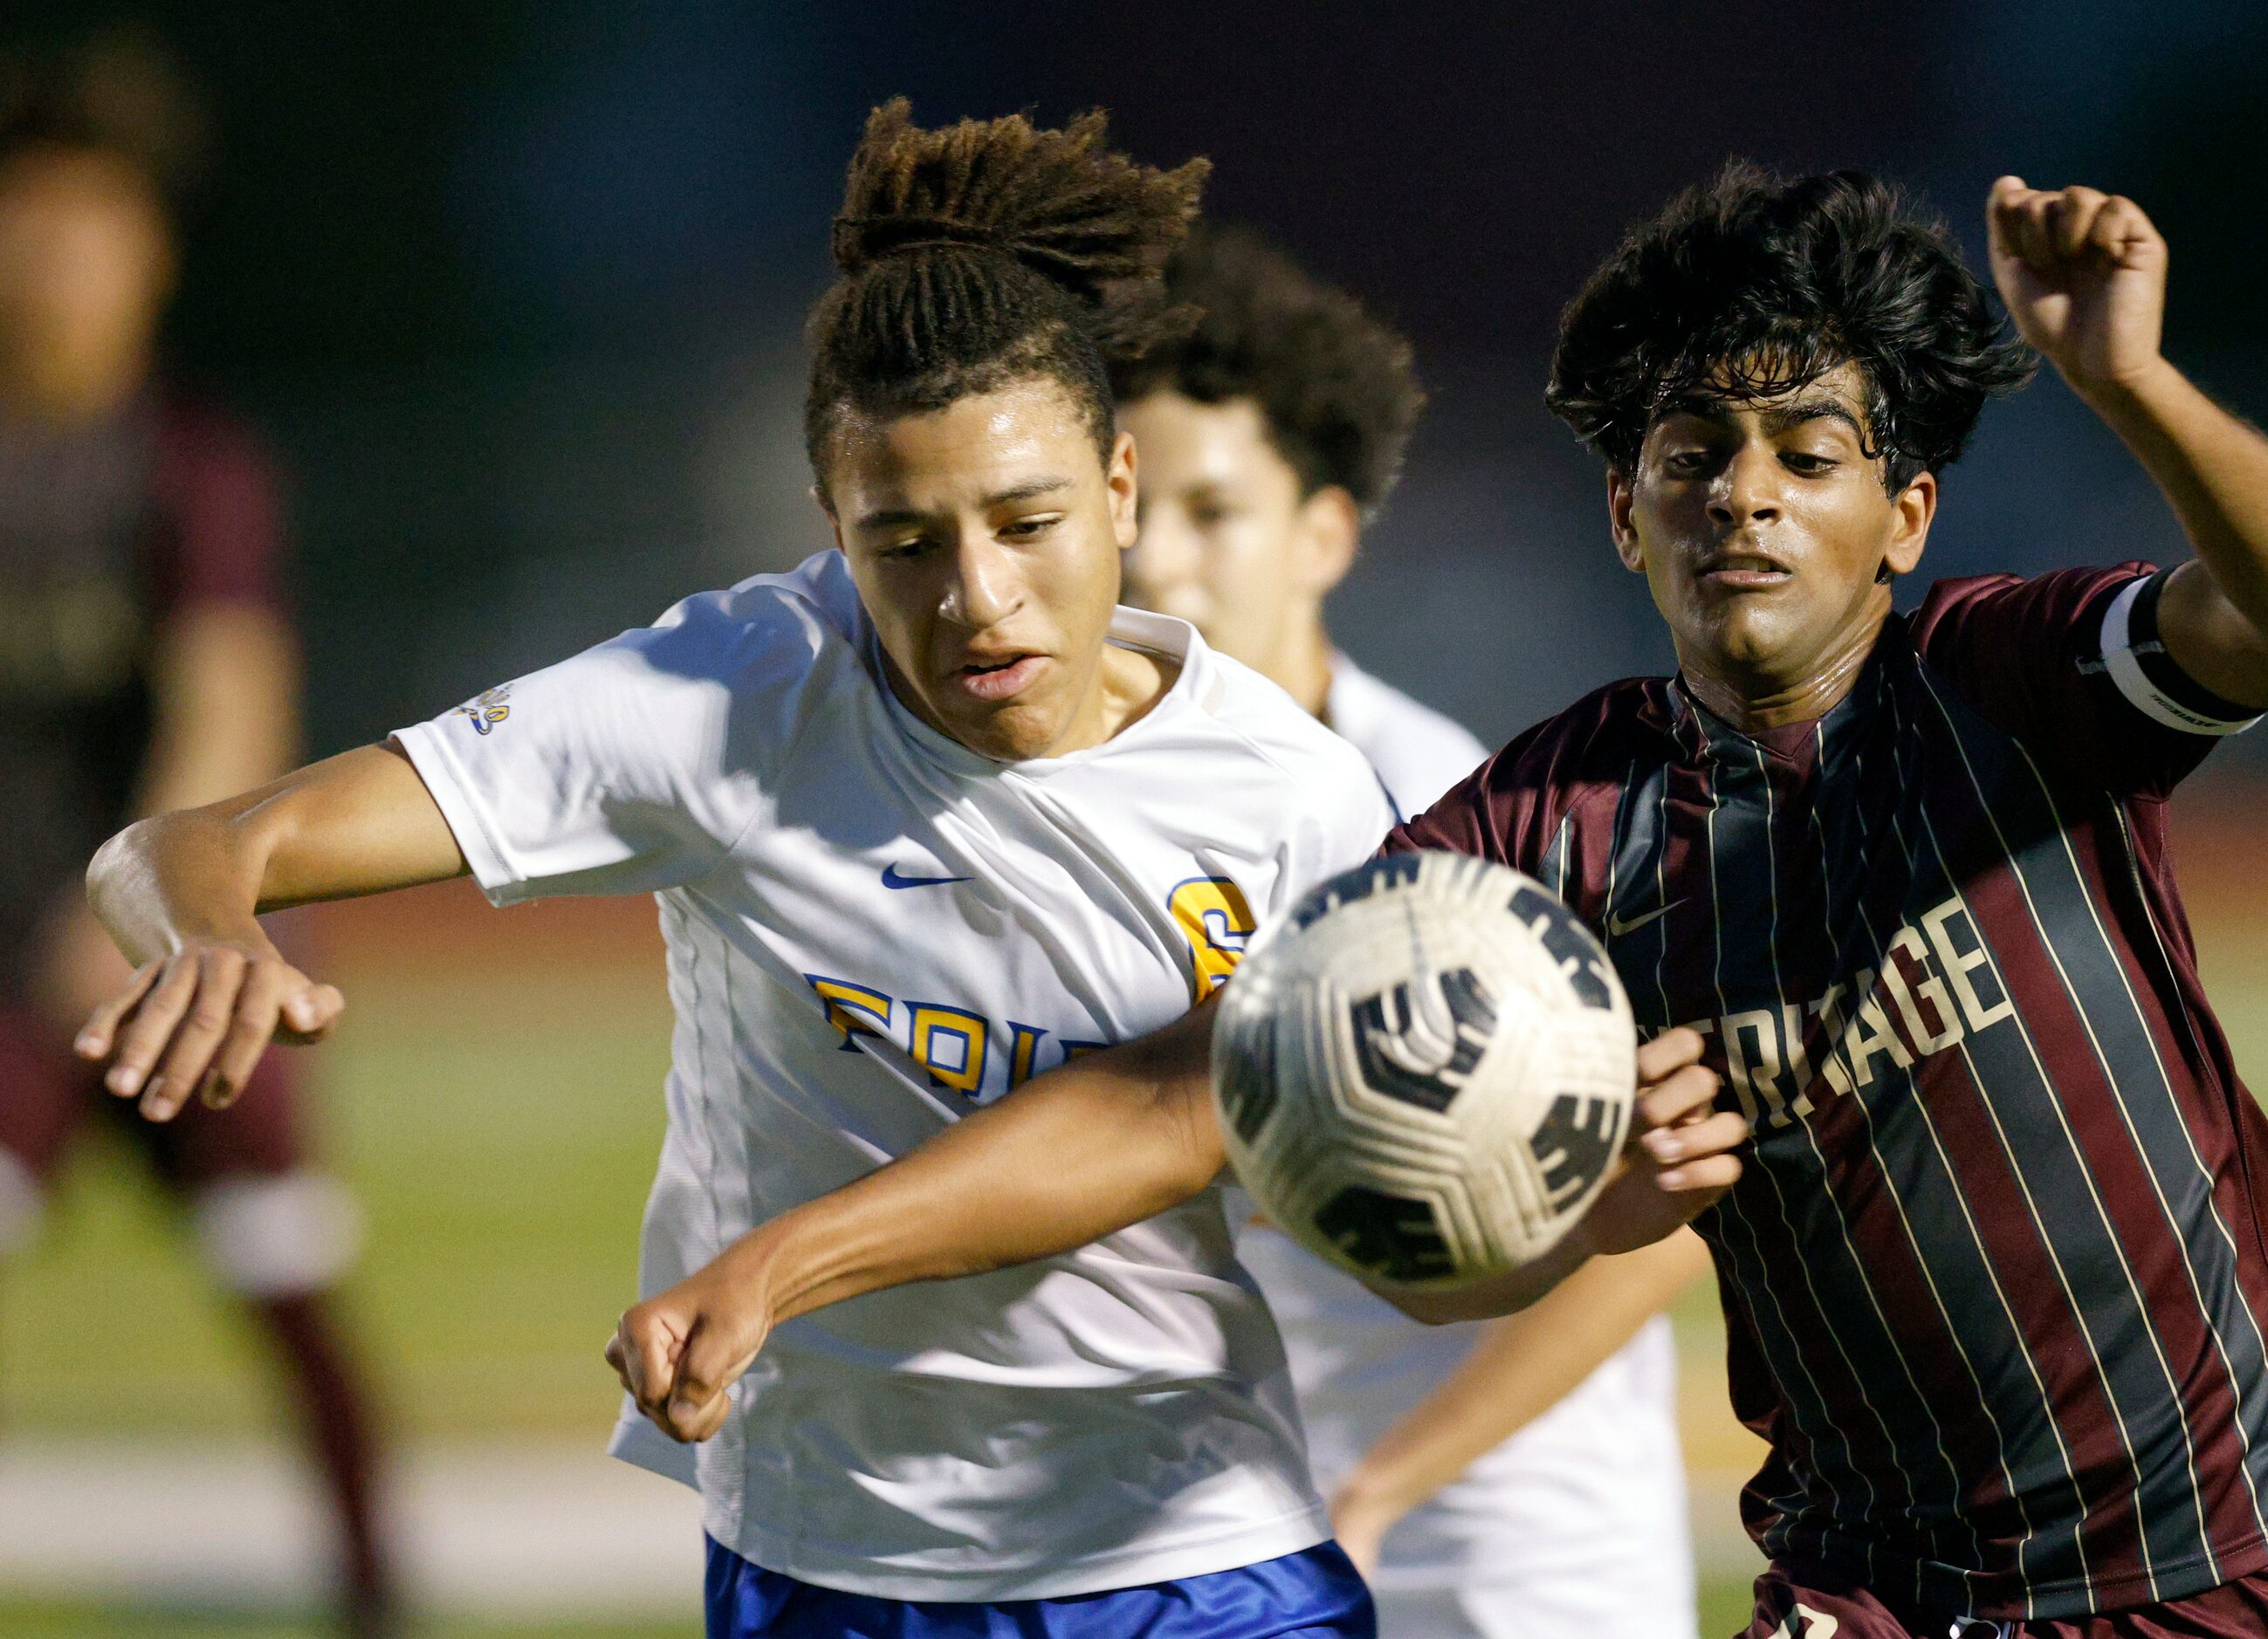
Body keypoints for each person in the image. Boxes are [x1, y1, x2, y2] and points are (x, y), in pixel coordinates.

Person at [519, 162, 2268, 1638]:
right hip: (1883, 1581)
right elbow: (1251, 1110)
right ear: (1623, 511)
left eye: (1804, 458)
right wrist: (1587, 1207)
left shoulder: (2001, 690)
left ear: (1899, 518)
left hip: (2226, 1535)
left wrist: (2132, 385)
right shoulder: (1537, 829)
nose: (1740, 497)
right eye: (1688, 456)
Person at [70, 101, 1727, 1639]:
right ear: (830, 519)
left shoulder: (1291, 796)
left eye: (1027, 522)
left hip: (1188, 1553)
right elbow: (195, 841)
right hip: (825, 1559)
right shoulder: (725, 700)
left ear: (1118, 491)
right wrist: (209, 927)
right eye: (905, 543)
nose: (978, 598)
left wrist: (1574, 1214)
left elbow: (1227, 1150)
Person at [1113, 223, 1707, 1637]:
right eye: (1124, 508)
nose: (1154, 559)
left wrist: (1380, 1488)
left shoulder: (1453, 828)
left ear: (1324, 532)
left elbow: (1670, 1216)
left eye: (1211, 511)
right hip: (1255, 1521)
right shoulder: (1101, 813)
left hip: (1504, 1550)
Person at [0, 39, 395, 1636]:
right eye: (27, 218)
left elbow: (227, 704)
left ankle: (377, 1592)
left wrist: (137, 914)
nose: (55, 258)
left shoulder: (193, 461)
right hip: (6, 972)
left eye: (89, 221)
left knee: (288, 1280)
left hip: (174, 960)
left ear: (149, 247)